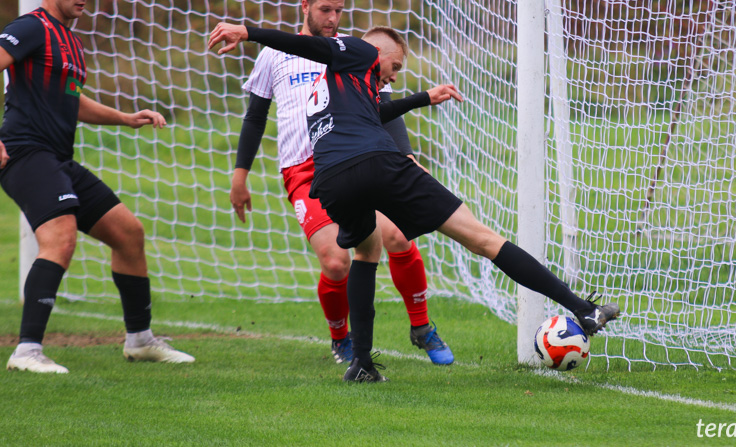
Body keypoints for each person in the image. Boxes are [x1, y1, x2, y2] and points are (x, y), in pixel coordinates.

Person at [208, 22, 620, 383]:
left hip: (332, 181)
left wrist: (425, 97)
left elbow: (378, 112)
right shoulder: (359, 50)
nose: (392, 77)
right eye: (395, 67)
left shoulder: (332, 88)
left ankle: (363, 362)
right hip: (374, 163)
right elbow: (306, 47)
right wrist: (249, 32)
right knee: (483, 238)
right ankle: (582, 309)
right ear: (378, 54)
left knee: (367, 253)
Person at [230, 0, 454, 365]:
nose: (332, 19)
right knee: (337, 261)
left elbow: (382, 105)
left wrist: (405, 154)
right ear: (305, 6)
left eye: (337, 11)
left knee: (400, 236)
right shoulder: (274, 54)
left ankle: (421, 326)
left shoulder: (350, 51)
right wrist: (240, 175)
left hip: (359, 157)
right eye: (324, 9)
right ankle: (341, 339)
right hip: (305, 171)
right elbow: (255, 117)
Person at [0, 0, 194, 374]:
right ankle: (27, 351)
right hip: (24, 154)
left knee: (128, 233)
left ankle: (140, 341)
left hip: (56, 158)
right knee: (61, 237)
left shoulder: (70, 41)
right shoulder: (31, 28)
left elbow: (72, 102)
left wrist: (126, 118)